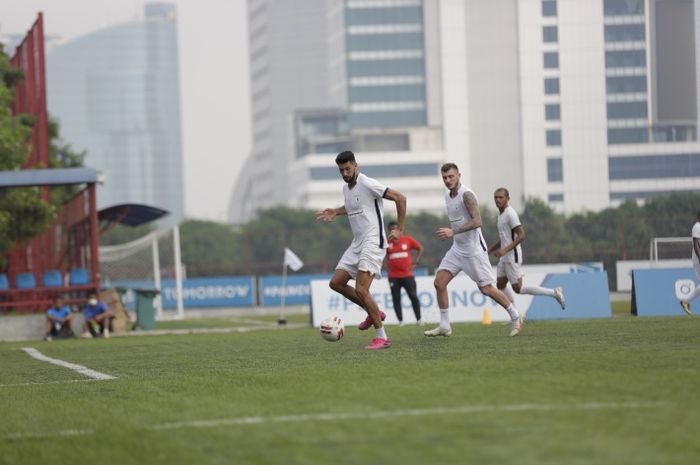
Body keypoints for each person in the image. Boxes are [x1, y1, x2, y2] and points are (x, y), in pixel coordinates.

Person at [316, 150, 407, 350]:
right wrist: (336, 211)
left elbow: (400, 198)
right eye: (341, 170)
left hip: (373, 241)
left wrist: (400, 228)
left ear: (356, 165)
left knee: (361, 289)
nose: (345, 173)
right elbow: (354, 206)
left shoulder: (367, 183)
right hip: (357, 243)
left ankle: (382, 337)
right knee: (336, 283)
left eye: (348, 168)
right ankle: (374, 311)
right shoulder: (346, 188)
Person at [424, 163, 523, 338]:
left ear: (459, 175)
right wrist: (454, 235)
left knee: (487, 289)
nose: (448, 180)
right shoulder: (447, 196)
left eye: (451, 176)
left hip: (474, 251)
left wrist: (452, 231)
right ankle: (445, 326)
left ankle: (516, 316)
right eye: (445, 178)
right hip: (457, 249)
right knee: (439, 283)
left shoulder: (467, 195)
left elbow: (478, 221)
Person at [488, 187, 565, 317]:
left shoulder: (510, 214)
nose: (498, 200)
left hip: (512, 255)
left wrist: (505, 250)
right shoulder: (500, 215)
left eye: (501, 197)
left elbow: (521, 235)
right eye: (496, 197)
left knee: (519, 289)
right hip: (505, 256)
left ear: (508, 199)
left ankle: (554, 293)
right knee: (500, 284)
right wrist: (490, 250)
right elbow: (504, 238)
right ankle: (516, 315)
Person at [386, 221, 424, 326]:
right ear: (389, 231)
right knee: (396, 298)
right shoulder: (387, 243)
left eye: (396, 229)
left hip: (407, 275)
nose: (394, 231)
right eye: (392, 229)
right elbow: (381, 255)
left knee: (413, 296)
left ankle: (419, 319)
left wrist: (416, 262)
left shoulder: (408, 240)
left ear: (400, 230)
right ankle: (400, 321)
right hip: (393, 276)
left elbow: (420, 248)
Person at [680, 210, 700, 315]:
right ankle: (685, 301)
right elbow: (696, 244)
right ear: (698, 216)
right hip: (698, 258)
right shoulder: (697, 227)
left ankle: (685, 301)